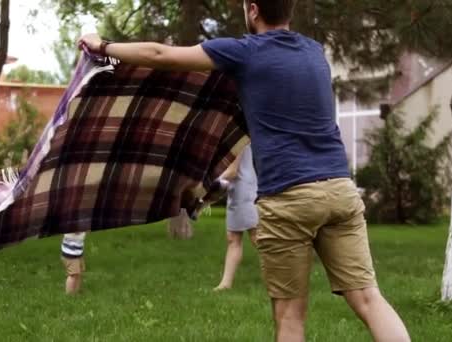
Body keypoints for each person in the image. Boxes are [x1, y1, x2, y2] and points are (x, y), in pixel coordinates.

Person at [78, 1, 410, 341]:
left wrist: (102, 45)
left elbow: (160, 55)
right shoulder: (314, 51)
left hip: (289, 196)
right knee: (369, 299)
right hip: (340, 189)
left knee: (291, 317)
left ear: (253, 9)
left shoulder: (244, 52)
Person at [214, 145, 258, 291]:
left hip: (247, 192)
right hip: (236, 192)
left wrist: (210, 181)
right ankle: (225, 284)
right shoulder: (229, 138)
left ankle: (284, 276)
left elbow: (232, 171)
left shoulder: (239, 140)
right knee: (233, 238)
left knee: (257, 238)